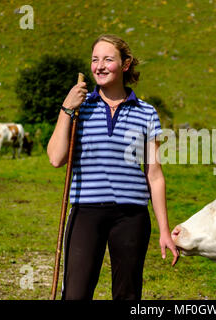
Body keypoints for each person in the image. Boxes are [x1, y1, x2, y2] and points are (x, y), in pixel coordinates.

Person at [47, 34, 179, 300]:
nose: (100, 66)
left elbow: (154, 175)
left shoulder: (146, 112)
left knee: (127, 295)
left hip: (131, 216)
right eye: (95, 60)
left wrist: (164, 229)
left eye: (108, 59)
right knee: (75, 294)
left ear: (125, 64)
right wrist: (66, 109)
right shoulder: (79, 107)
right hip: (86, 211)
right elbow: (56, 158)